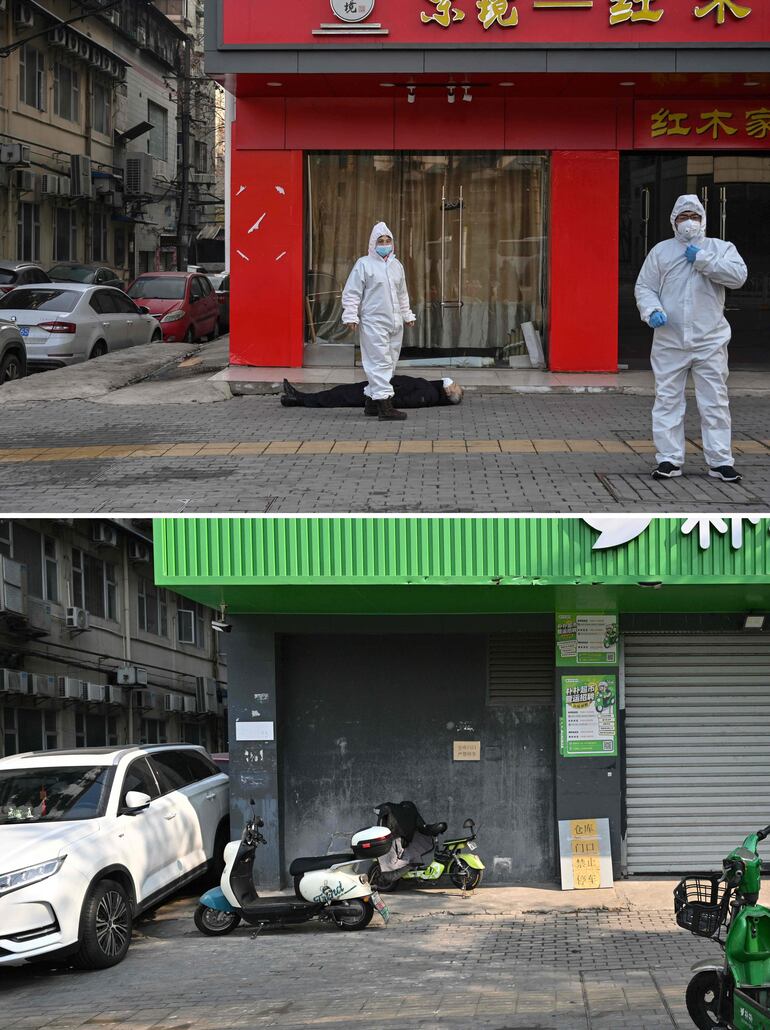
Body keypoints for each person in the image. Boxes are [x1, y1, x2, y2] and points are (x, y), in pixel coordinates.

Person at [635, 194, 748, 483]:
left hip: (710, 340)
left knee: (715, 401)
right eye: (683, 217)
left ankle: (721, 461)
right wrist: (652, 310)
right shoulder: (661, 252)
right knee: (667, 400)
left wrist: (702, 259)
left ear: (703, 220)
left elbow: (738, 277)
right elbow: (644, 287)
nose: (688, 222)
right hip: (669, 339)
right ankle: (669, 459)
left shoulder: (720, 248)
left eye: (694, 216)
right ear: (673, 221)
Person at [341, 221, 416, 422]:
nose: (384, 244)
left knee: (389, 362)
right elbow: (352, 292)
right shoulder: (364, 264)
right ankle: (384, 406)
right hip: (373, 322)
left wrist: (407, 314)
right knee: (379, 362)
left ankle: (371, 402)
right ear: (373, 243)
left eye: (387, 240)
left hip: (395, 322)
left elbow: (402, 294)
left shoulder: (396, 265)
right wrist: (350, 315)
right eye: (380, 241)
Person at [280, 375, 464, 411]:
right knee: (340, 393)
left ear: (448, 392)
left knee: (338, 396)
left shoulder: (429, 395)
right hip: (379, 386)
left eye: (455, 386)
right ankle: (298, 397)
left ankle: (297, 399)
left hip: (377, 392)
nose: (454, 383)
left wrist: (380, 399)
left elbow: (404, 401)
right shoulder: (431, 389)